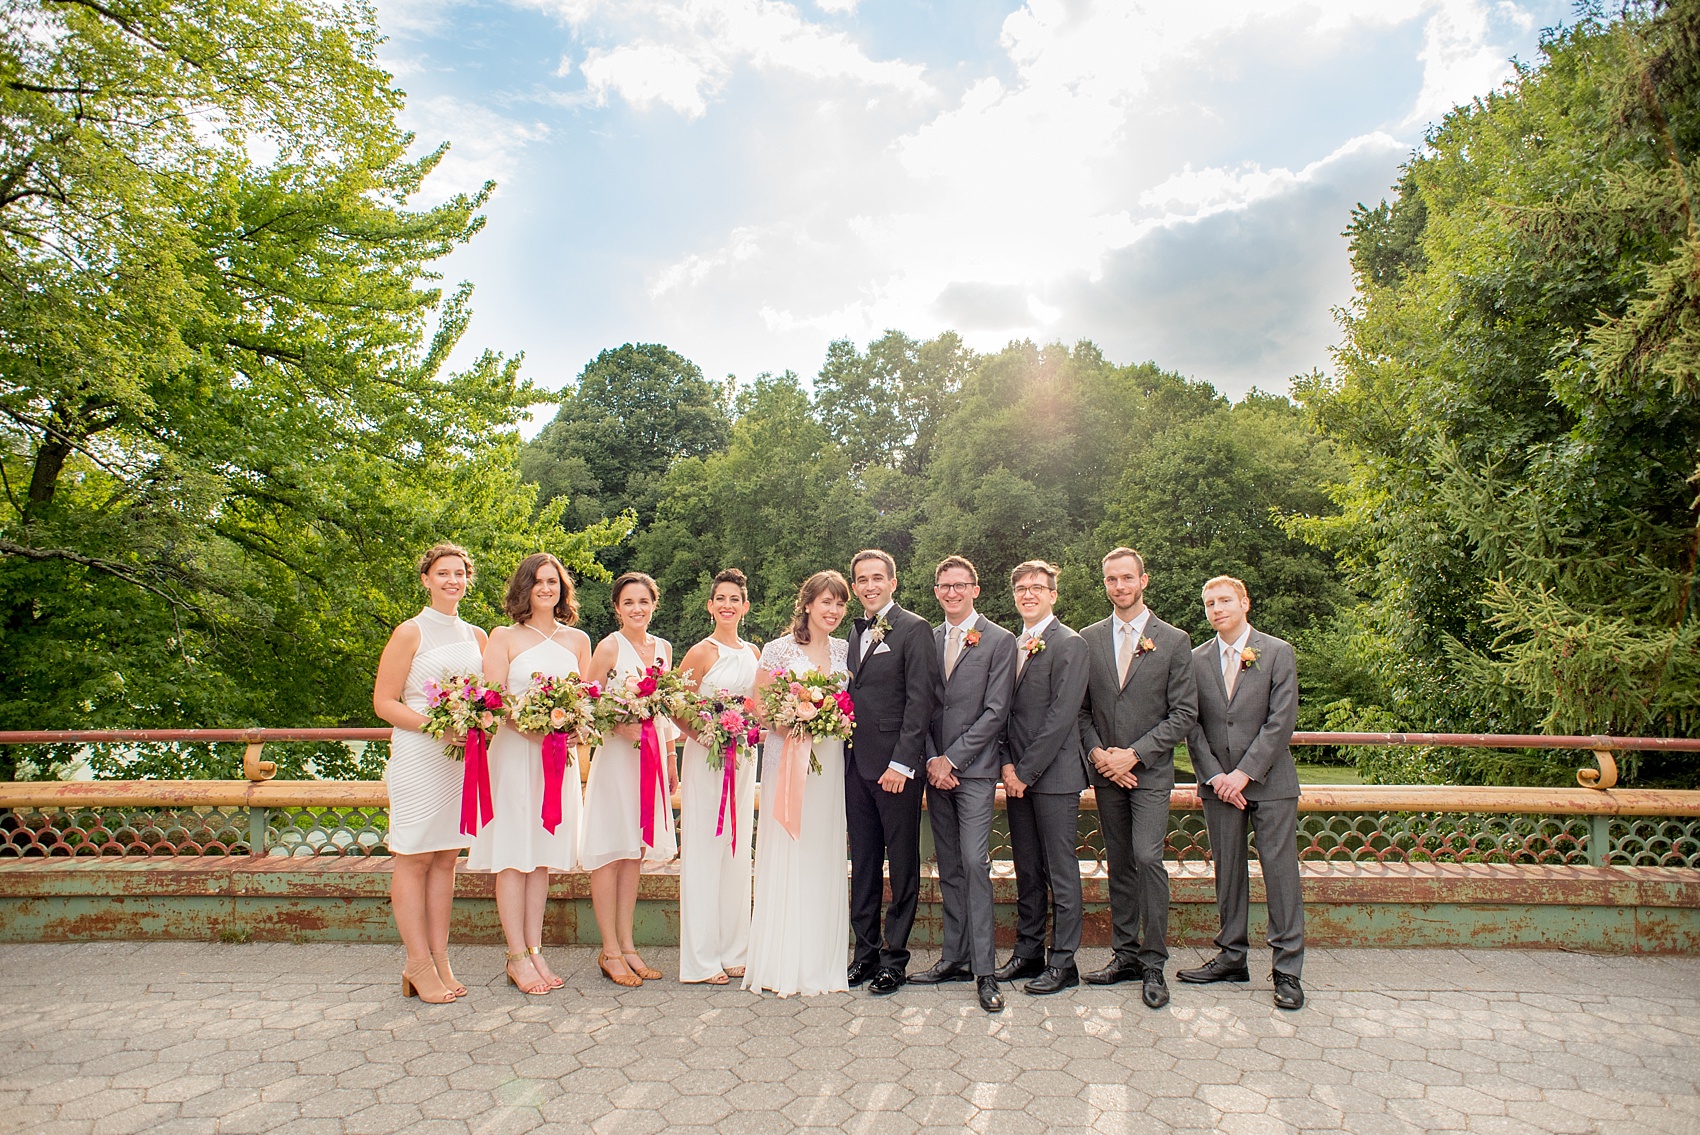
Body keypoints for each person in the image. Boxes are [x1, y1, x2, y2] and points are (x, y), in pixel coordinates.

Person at [1177, 575, 1306, 1010]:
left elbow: (1280, 722)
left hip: (1271, 784)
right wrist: (1215, 776)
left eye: (1225, 600)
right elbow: (1191, 725)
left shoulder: (1277, 652)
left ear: (1245, 602)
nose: (1217, 608)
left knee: (1280, 874)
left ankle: (1287, 970)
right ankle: (1232, 956)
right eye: (1210, 602)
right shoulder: (1194, 661)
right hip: (1218, 787)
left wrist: (1244, 774)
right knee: (1227, 872)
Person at [1077, 547, 1197, 1008]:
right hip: (1107, 772)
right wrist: (1100, 755)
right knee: (1120, 862)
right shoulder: (1088, 638)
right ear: (1104, 584)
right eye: (1111, 579)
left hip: (1148, 773)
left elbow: (1184, 712)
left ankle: (1153, 962)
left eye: (1127, 578)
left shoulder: (1173, 640)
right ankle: (1124, 955)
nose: (1119, 586)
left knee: (1148, 859)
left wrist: (1135, 755)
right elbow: (1082, 710)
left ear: (1143, 581)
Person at [467, 553, 591, 995]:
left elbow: (584, 699)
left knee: (541, 857)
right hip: (517, 756)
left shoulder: (578, 639)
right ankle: (515, 955)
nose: (546, 588)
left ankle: (536, 949)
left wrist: (574, 726)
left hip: (559, 761)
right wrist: (536, 732)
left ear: (562, 589)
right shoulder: (503, 637)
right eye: (538, 581)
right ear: (524, 587)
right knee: (513, 855)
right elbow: (494, 701)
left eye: (553, 582)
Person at [373, 543, 486, 1003]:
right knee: (414, 856)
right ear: (426, 579)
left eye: (459, 573)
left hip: (460, 763)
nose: (452, 581)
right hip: (421, 756)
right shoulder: (409, 632)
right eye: (443, 573)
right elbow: (384, 703)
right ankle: (415, 961)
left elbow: (488, 697)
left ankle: (440, 958)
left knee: (446, 858)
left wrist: (478, 723)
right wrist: (438, 728)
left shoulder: (478, 636)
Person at [911, 555, 1015, 1014]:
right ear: (936, 591)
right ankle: (954, 957)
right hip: (937, 771)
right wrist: (934, 757)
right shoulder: (928, 639)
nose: (951, 592)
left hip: (973, 771)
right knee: (949, 864)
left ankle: (985, 971)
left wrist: (952, 758)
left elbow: (996, 711)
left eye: (960, 585)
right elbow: (923, 707)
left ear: (975, 589)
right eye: (944, 586)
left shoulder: (1000, 640)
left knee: (975, 862)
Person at [744, 570, 853, 997]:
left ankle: (821, 962)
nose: (834, 610)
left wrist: (827, 718)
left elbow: (850, 703)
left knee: (823, 851)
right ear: (807, 604)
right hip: (787, 758)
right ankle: (782, 961)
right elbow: (758, 706)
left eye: (840, 603)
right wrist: (792, 719)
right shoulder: (778, 649)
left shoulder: (846, 649)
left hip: (829, 763)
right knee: (789, 849)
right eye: (826, 601)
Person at [844, 549, 940, 995]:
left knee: (901, 864)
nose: (869, 586)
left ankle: (893, 959)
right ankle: (863, 954)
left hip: (896, 769)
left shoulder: (915, 629)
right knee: (862, 863)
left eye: (877, 578)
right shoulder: (852, 631)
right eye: (862, 579)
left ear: (893, 583)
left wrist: (902, 763)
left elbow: (921, 701)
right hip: (854, 766)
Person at [994, 560, 1091, 995]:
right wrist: (1008, 766)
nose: (1028, 594)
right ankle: (1028, 951)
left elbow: (1060, 716)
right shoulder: (1013, 644)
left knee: (1060, 871)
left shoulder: (1070, 644)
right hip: (1018, 775)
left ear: (1053, 595)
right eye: (1021, 588)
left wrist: (1025, 772)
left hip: (1054, 777)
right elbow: (1007, 714)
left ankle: (1064, 961)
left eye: (1037, 587)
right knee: (1027, 869)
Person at [580, 572, 678, 987]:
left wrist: (671, 759)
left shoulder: (664, 648)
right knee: (610, 850)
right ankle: (609, 950)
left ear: (654, 605)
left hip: (651, 760)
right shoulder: (608, 647)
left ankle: (628, 944)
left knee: (634, 852)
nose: (637, 608)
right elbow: (584, 702)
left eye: (644, 601)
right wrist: (619, 727)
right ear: (617, 608)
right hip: (616, 759)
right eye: (629, 602)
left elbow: (668, 710)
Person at [675, 568, 761, 985]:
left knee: (735, 847)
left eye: (734, 599)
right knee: (705, 849)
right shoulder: (701, 652)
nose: (727, 605)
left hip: (743, 760)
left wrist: (743, 731)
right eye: (720, 599)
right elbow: (676, 706)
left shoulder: (754, 653)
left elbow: (759, 708)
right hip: (707, 760)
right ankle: (701, 958)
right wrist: (711, 734)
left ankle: (735, 949)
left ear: (745, 607)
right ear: (710, 606)